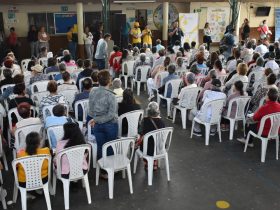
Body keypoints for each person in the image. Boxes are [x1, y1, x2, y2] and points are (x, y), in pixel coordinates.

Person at [88, 70, 118, 175]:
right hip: (110, 125)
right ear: (109, 81)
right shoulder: (111, 96)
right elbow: (111, 115)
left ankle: (103, 170)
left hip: (97, 124)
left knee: (100, 146)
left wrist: (95, 119)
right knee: (109, 146)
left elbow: (90, 111)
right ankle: (109, 169)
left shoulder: (92, 92)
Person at [137, 102, 165, 170]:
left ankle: (147, 163)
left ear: (148, 111)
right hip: (159, 148)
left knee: (143, 141)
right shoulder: (161, 122)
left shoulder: (144, 120)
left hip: (146, 149)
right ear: (157, 111)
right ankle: (155, 163)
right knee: (154, 143)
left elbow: (140, 132)